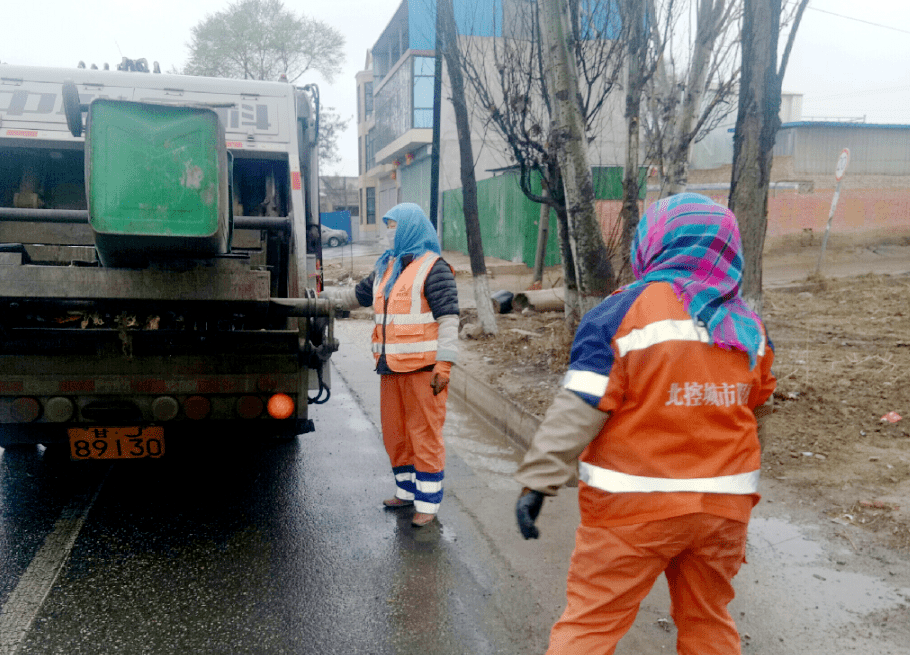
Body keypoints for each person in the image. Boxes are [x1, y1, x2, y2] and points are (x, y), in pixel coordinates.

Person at [514, 193, 776, 654]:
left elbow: (580, 406)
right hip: (722, 514)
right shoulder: (746, 324)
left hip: (632, 512)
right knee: (709, 623)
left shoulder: (622, 312)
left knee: (592, 623)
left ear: (654, 242)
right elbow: (757, 402)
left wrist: (537, 482)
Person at [321, 203, 459, 528]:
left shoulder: (434, 267)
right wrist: (320, 296)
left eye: (393, 225)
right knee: (396, 435)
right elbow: (356, 297)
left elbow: (450, 319)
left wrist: (445, 364)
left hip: (424, 371)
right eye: (388, 225)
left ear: (411, 228)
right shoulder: (388, 266)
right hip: (390, 368)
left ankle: (427, 504)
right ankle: (406, 492)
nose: (389, 231)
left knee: (424, 435)